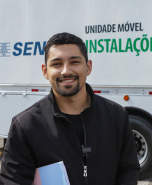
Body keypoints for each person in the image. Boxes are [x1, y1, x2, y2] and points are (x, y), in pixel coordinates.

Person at [0, 32, 140, 185]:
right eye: (57, 64)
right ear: (45, 71)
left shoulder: (116, 115)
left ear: (88, 67)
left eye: (74, 62)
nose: (66, 71)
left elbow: (128, 170)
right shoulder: (26, 125)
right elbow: (12, 181)